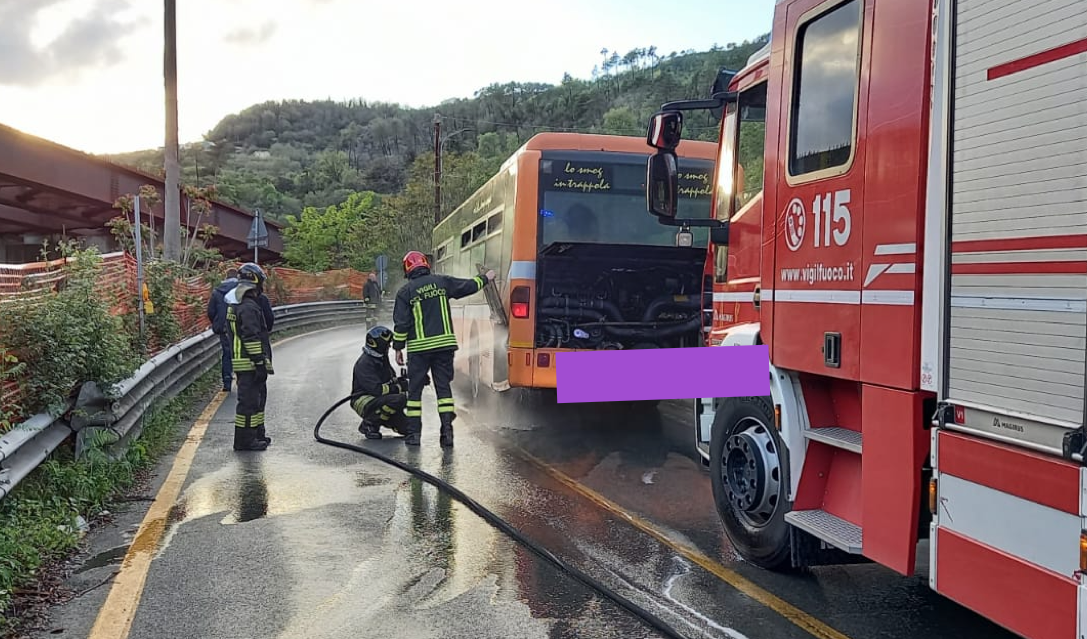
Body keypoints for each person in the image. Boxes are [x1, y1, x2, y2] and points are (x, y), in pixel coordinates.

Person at [392, 250, 495, 447]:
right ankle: (447, 432)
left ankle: (414, 435)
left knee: (414, 393)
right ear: (425, 265)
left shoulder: (405, 293)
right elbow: (467, 286)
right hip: (444, 348)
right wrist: (486, 278)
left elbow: (402, 324)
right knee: (443, 389)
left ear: (407, 270)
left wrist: (398, 348)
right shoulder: (441, 282)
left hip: (419, 350)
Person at [225, 263, 274, 451]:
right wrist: (260, 362)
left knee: (257, 401)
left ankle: (256, 434)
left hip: (245, 363)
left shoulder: (237, 303)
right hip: (250, 364)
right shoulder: (248, 307)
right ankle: (245, 441)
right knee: (248, 404)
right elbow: (251, 338)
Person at [351, 326, 410, 440]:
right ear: (378, 345)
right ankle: (369, 424)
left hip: (380, 400)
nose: (389, 347)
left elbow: (389, 380)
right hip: (363, 401)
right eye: (387, 344)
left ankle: (385, 419)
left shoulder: (382, 359)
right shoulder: (365, 363)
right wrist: (398, 387)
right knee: (399, 399)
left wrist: (404, 381)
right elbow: (377, 390)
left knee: (410, 429)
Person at [207, 267, 239, 392]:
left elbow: (211, 311)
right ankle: (242, 379)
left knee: (227, 353)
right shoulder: (241, 289)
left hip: (224, 327)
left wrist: (218, 323)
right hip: (240, 325)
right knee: (242, 352)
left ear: (225, 277)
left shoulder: (217, 291)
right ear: (237, 277)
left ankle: (227, 382)